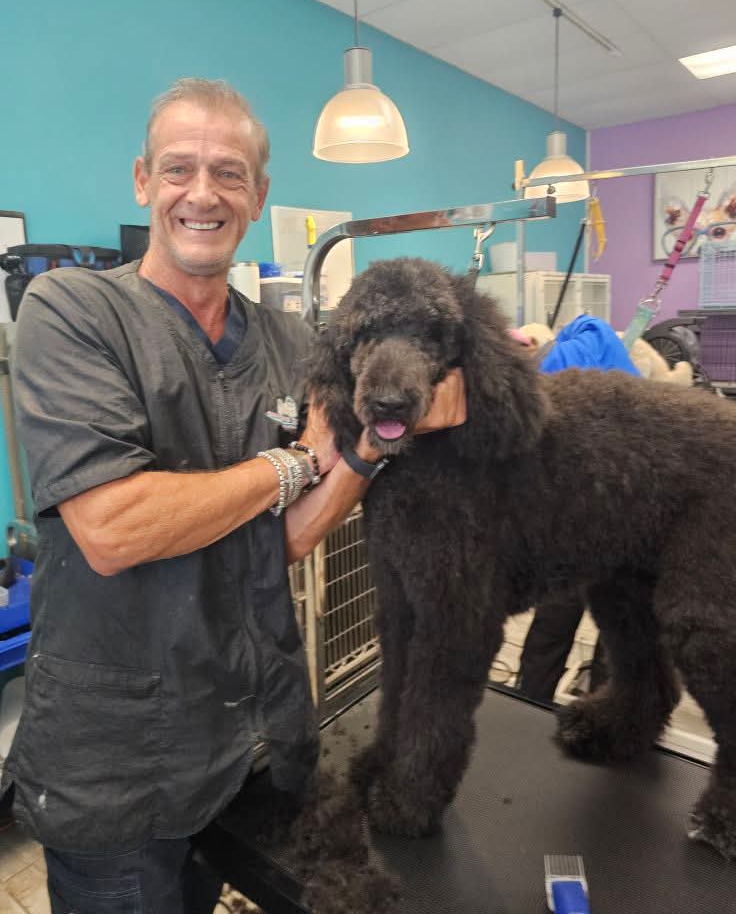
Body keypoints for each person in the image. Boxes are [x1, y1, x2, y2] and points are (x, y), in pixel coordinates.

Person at [1, 78, 466, 913]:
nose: (203, 193)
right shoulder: (73, 310)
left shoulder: (287, 340)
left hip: (245, 739)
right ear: (144, 182)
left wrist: (375, 438)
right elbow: (111, 527)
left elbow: (286, 538)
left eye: (229, 171)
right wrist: (288, 466)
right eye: (179, 169)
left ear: (258, 192)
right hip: (117, 763)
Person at [511, 314, 640, 703]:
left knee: (558, 623)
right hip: (620, 509)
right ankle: (606, 706)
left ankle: (529, 703)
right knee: (619, 630)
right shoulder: (592, 340)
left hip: (592, 515)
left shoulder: (547, 372)